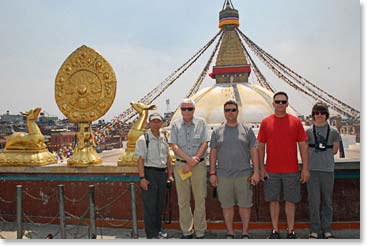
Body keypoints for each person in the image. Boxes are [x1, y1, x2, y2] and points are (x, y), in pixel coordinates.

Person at [257, 91, 310, 239]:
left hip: (292, 169)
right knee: (273, 201)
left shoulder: (296, 122)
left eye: (283, 102)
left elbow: (302, 146)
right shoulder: (266, 122)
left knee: (290, 201)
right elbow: (260, 146)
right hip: (271, 170)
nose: (280, 104)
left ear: (287, 104)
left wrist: (305, 168)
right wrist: (261, 168)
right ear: (273, 104)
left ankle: (291, 230)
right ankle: (275, 230)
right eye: (278, 101)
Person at [209, 100, 260, 239]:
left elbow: (254, 151)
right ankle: (230, 232)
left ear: (237, 112)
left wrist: (256, 171)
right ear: (224, 112)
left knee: (245, 205)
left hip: (243, 174)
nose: (230, 113)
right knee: (227, 205)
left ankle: (245, 232)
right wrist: (212, 173)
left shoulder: (247, 130)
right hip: (223, 175)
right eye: (227, 110)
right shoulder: (217, 132)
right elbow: (213, 153)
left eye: (233, 110)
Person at [168, 98, 209, 239]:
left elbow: (204, 143)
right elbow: (174, 146)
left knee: (200, 198)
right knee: (183, 200)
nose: (186, 111)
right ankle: (187, 230)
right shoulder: (175, 125)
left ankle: (200, 230)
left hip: (198, 165)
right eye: (184, 109)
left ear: (194, 110)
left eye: (189, 109)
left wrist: (194, 160)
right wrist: (188, 160)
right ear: (180, 110)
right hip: (181, 165)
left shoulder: (201, 123)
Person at [135, 113, 173, 239]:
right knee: (150, 205)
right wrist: (142, 178)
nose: (156, 124)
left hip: (162, 174)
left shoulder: (164, 138)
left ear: (162, 123)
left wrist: (170, 175)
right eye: (154, 121)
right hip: (149, 173)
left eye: (158, 121)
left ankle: (158, 230)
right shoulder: (143, 139)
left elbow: (168, 158)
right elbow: (140, 160)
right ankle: (151, 234)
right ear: (149, 123)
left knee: (159, 204)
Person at [306, 102, 340, 239]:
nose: (319, 115)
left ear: (327, 115)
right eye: (316, 113)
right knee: (313, 201)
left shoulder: (333, 132)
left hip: (327, 170)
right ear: (313, 115)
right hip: (312, 170)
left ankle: (327, 229)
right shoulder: (307, 132)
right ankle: (314, 229)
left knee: (327, 201)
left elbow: (335, 150)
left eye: (322, 113)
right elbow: (303, 150)